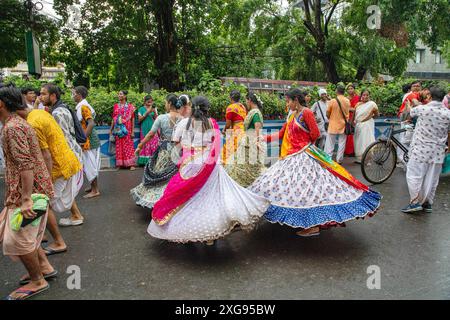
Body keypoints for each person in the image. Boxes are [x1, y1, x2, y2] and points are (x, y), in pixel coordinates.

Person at [249, 88, 381, 237]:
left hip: (304, 155)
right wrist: (261, 138)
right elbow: (281, 134)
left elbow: (315, 134)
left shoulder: (306, 113)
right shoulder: (292, 115)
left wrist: (305, 147)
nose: (287, 105)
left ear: (296, 100)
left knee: (310, 191)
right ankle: (302, 221)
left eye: (288, 102)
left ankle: (313, 226)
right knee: (292, 189)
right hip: (291, 156)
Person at [148, 96, 270, 244]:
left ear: (192, 107)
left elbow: (184, 145)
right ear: (206, 109)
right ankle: (210, 236)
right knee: (210, 197)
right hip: (208, 163)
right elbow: (216, 145)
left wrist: (185, 160)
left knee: (189, 197)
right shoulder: (211, 123)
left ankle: (187, 229)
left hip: (191, 164)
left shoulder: (187, 123)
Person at [0, 84, 55, 300]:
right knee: (14, 232)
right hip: (24, 189)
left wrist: (25, 200)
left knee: (16, 240)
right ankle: (44, 266)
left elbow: (25, 165)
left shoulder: (13, 128)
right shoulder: (15, 124)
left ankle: (37, 280)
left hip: (28, 192)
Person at [401, 86, 450, 213]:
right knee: (432, 178)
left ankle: (415, 202)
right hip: (438, 151)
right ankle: (428, 203)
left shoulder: (423, 109)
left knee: (414, 176)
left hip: (420, 150)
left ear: (429, 97)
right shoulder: (448, 113)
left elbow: (408, 114)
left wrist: (408, 105)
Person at [130, 94, 183, 209]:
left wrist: (140, 146)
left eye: (165, 102)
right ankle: (173, 200)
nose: (165, 104)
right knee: (174, 176)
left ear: (169, 103)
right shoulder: (183, 119)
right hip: (179, 152)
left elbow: (150, 134)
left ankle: (157, 200)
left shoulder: (162, 118)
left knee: (160, 176)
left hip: (164, 152)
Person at [226, 92, 267, 187]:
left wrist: (257, 141)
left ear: (250, 100)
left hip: (251, 141)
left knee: (248, 166)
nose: (246, 103)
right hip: (248, 140)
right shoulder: (254, 111)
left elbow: (257, 126)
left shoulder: (255, 113)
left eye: (246, 101)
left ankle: (250, 184)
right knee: (244, 164)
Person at [73, 86, 101, 199]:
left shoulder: (83, 107)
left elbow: (91, 123)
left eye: (74, 93)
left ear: (79, 94)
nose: (73, 96)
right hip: (90, 139)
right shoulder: (83, 106)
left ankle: (95, 190)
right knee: (91, 164)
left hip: (88, 141)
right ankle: (93, 186)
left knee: (90, 165)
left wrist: (83, 138)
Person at [110, 90, 136, 170]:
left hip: (127, 129)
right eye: (119, 94)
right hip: (118, 128)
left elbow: (132, 119)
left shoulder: (130, 107)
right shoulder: (116, 106)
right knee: (119, 146)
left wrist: (132, 131)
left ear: (125, 96)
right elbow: (113, 118)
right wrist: (111, 129)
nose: (119, 95)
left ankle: (131, 164)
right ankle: (120, 164)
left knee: (128, 146)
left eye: (121, 94)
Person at [324, 85, 350, 164]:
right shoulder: (347, 101)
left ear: (337, 91)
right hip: (343, 125)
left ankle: (328, 159)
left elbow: (327, 113)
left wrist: (330, 118)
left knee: (330, 143)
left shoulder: (332, 101)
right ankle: (339, 160)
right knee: (342, 143)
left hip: (333, 125)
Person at [222, 90, 247, 164]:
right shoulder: (242, 107)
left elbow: (228, 124)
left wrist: (224, 130)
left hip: (237, 131)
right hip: (244, 131)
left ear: (231, 98)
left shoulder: (230, 108)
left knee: (226, 152)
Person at [354, 90, 379, 163]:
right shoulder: (358, 104)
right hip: (358, 125)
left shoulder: (372, 104)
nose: (365, 96)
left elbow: (377, 115)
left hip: (367, 125)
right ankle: (359, 159)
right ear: (361, 96)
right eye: (364, 95)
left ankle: (367, 159)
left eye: (367, 95)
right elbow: (355, 115)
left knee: (367, 141)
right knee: (358, 142)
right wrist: (353, 123)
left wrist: (371, 115)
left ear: (369, 96)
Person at [136, 95, 159, 166]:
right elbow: (139, 120)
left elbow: (157, 119)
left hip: (153, 127)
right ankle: (145, 162)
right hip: (144, 127)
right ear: (145, 101)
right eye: (148, 101)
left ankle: (154, 161)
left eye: (151, 101)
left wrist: (154, 111)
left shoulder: (154, 108)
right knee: (145, 142)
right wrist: (147, 112)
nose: (150, 103)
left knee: (154, 142)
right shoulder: (141, 109)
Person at [345, 83, 359, 156]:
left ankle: (355, 151)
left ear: (354, 89)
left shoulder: (358, 97)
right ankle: (348, 152)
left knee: (355, 134)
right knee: (348, 134)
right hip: (348, 118)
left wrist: (351, 109)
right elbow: (344, 108)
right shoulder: (346, 99)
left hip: (356, 117)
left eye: (351, 88)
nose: (350, 90)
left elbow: (358, 108)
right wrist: (351, 109)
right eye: (349, 89)